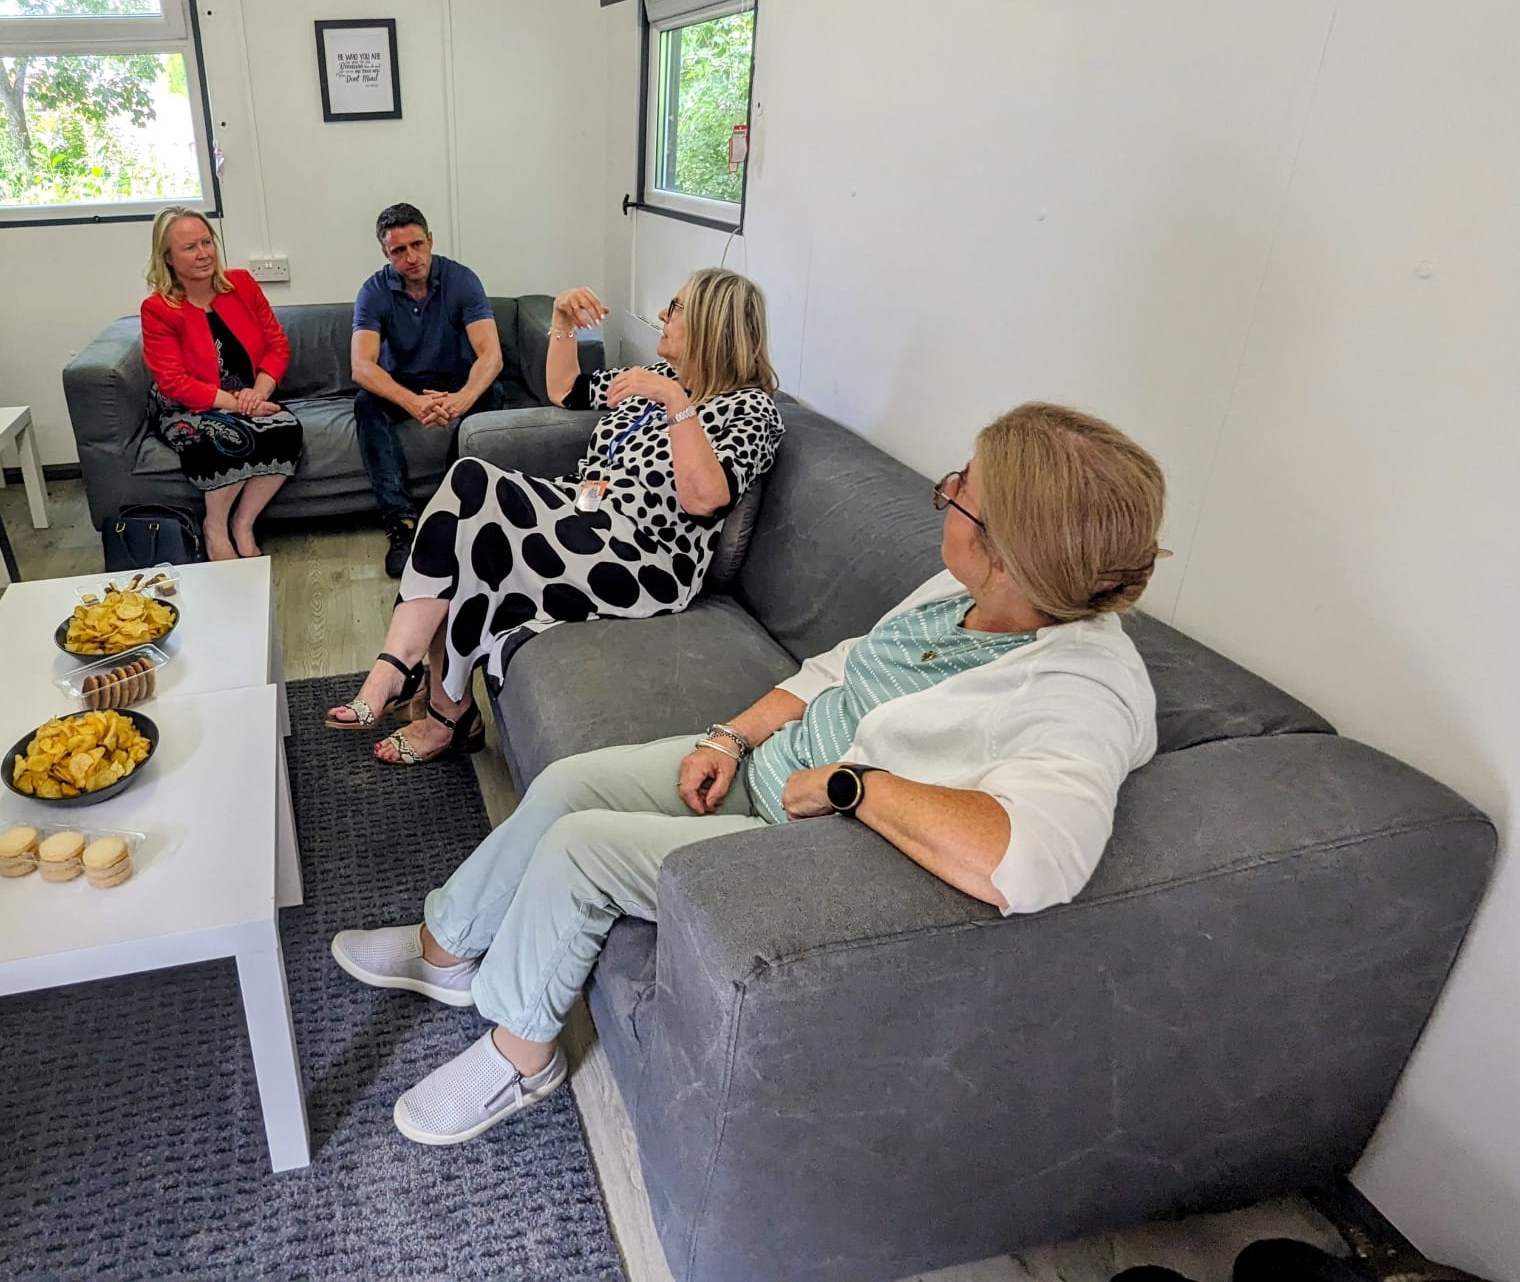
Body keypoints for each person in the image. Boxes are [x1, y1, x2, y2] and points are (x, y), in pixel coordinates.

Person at [330, 401, 1168, 1145]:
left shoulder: (1082, 689)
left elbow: (1031, 862)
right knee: (566, 786)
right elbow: (839, 666)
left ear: (1009, 551)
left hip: (805, 848)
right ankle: (447, 946)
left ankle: (522, 1054)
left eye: (959, 492)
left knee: (578, 850)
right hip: (754, 769)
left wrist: (854, 787)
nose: (943, 493)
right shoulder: (960, 593)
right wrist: (730, 738)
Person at [324, 266, 785, 766]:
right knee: (468, 502)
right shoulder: (659, 380)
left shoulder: (750, 410)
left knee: (474, 489)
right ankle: (425, 691)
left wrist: (676, 404)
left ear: (710, 325)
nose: (661, 315)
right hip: (580, 515)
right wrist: (563, 319)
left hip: (642, 556)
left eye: (674, 308)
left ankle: (424, 693)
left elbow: (704, 500)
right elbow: (565, 388)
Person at [351, 202, 506, 578]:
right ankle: (402, 525)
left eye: (418, 245)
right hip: (402, 384)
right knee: (366, 404)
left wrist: (461, 399)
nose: (412, 257)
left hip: (455, 381)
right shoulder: (373, 291)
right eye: (399, 251)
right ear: (385, 253)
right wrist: (413, 402)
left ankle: (451, 512)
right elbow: (362, 365)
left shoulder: (461, 279)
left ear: (431, 240)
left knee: (493, 394)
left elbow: (491, 355)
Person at [139, 207, 301, 561]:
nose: (203, 253)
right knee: (224, 442)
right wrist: (237, 404)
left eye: (206, 242)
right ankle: (215, 526)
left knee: (286, 430)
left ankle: (244, 522)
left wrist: (258, 393)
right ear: (167, 258)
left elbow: (277, 345)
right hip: (189, 404)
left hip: (252, 395)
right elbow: (173, 381)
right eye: (189, 247)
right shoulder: (158, 309)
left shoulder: (241, 284)